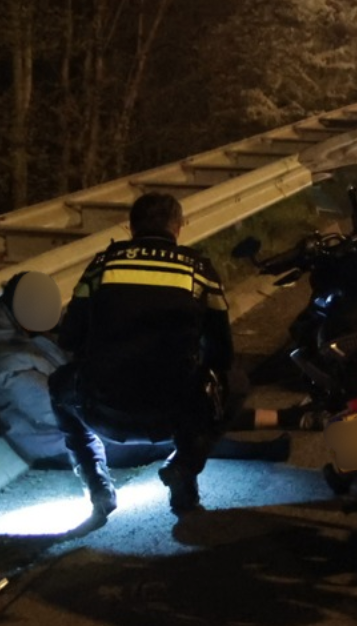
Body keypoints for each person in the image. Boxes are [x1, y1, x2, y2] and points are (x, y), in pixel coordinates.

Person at [53, 193, 238, 514]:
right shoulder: (199, 270)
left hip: (103, 409)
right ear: (179, 226)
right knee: (235, 383)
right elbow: (222, 351)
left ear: (130, 227)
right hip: (173, 413)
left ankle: (96, 484)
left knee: (58, 384)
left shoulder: (101, 266)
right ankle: (184, 468)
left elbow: (69, 338)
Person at [0, 271, 118, 518]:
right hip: (54, 444)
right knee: (151, 435)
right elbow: (54, 410)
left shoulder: (36, 338)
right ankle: (98, 484)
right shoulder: (8, 363)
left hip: (72, 430)